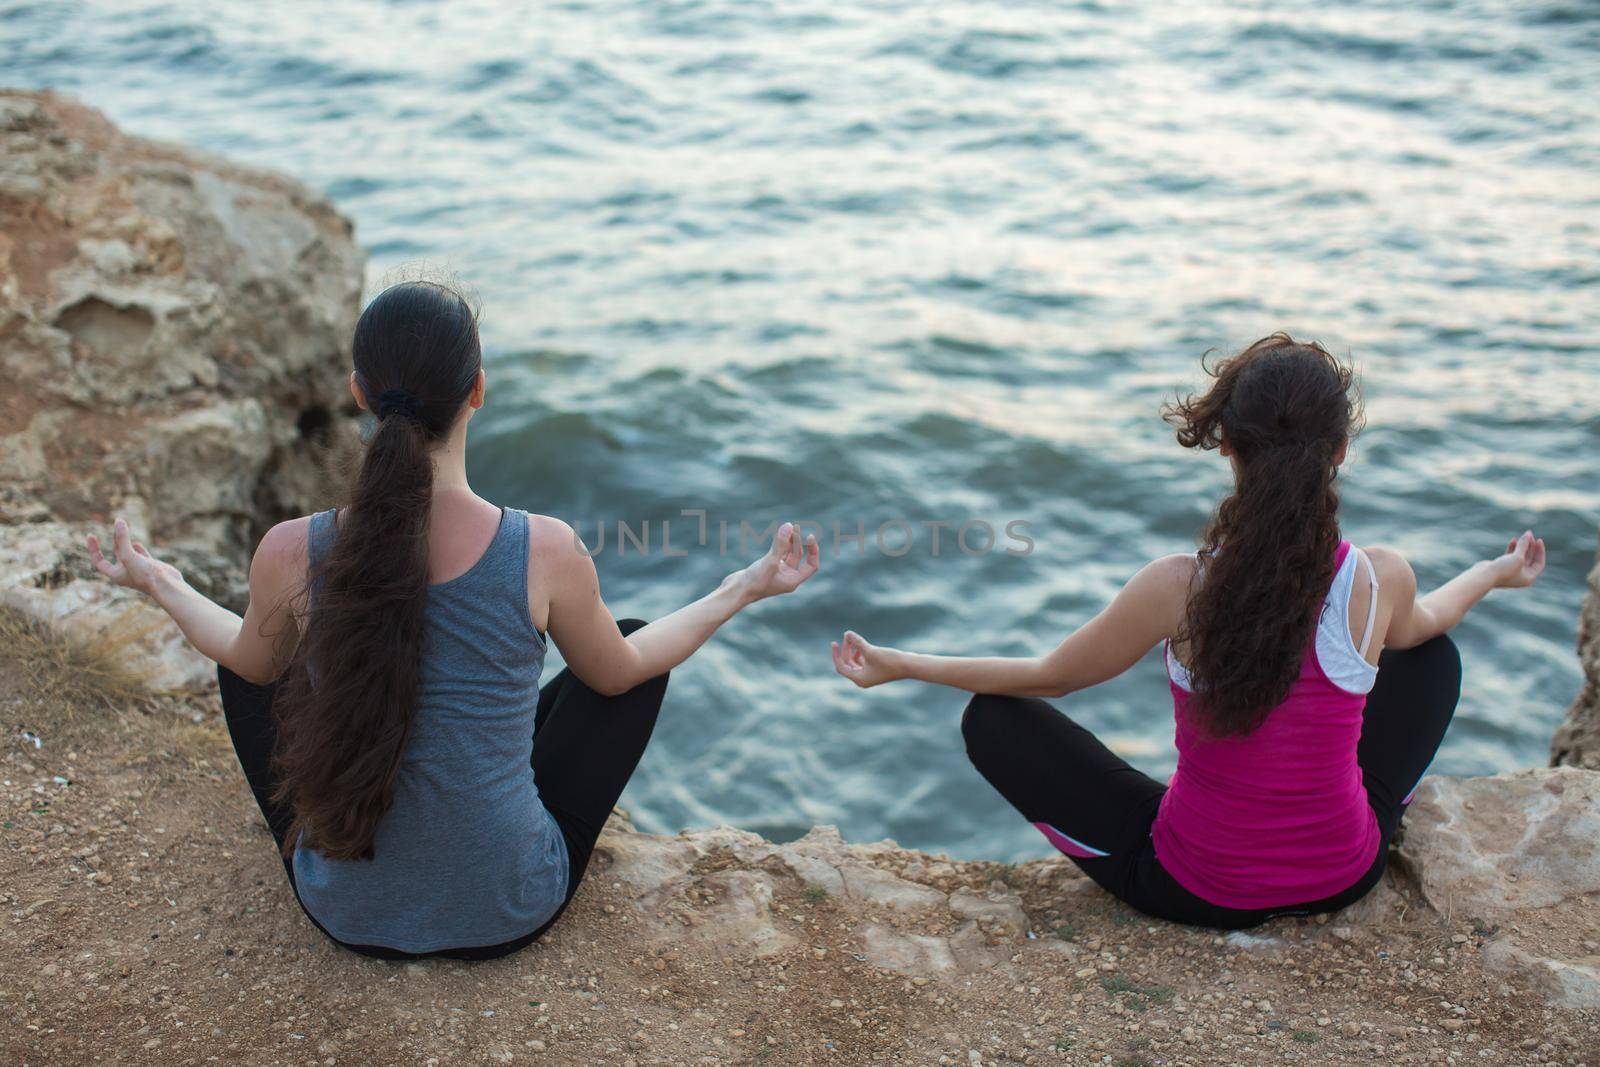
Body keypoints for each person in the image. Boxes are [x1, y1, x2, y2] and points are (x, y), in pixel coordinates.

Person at [87, 280, 820, 959]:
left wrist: (157, 580)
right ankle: (484, 818)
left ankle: (341, 843)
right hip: (508, 909)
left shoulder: (291, 548)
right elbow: (620, 675)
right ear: (478, 390)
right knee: (627, 650)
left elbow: (247, 665)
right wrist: (743, 586)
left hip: (345, 909)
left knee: (253, 656)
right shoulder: (544, 549)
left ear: (358, 393)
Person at [831, 334, 1545, 929]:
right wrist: (1494, 570)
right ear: (1338, 452)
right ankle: (1339, 821)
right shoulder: (1379, 577)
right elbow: (1431, 622)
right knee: (1430, 656)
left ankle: (1222, 830)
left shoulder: (1178, 587)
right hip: (1343, 876)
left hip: (1199, 891)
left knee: (995, 719)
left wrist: (902, 661)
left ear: (1229, 447)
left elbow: (1049, 675)